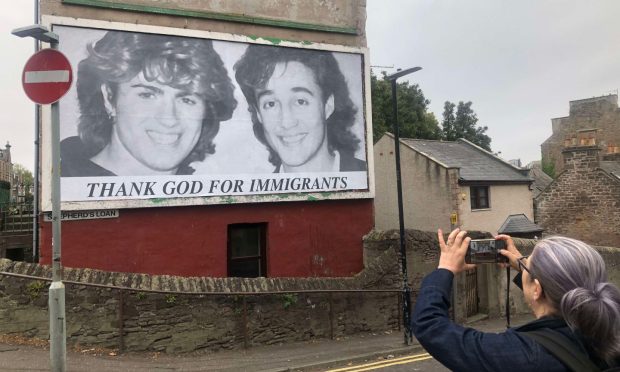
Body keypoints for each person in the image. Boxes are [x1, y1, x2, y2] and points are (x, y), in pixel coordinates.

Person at [412, 228, 620, 371]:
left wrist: (445, 269)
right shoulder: (609, 330)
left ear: (537, 289)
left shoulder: (525, 355)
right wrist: (526, 267)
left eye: (527, 264)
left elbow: (430, 326)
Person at [61, 31, 237, 176]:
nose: (169, 120)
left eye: (187, 99)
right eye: (147, 95)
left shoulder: (206, 191)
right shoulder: (65, 183)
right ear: (109, 98)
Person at [234, 44, 366, 173]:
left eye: (300, 101)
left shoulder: (370, 176)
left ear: (328, 105)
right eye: (271, 104)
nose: (286, 122)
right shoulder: (257, 193)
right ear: (258, 114)